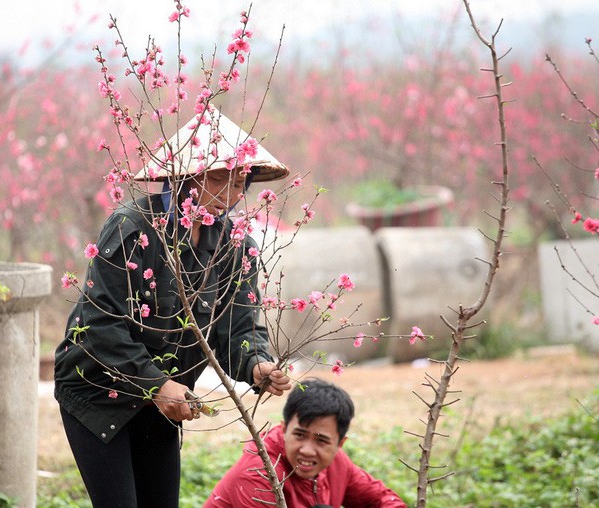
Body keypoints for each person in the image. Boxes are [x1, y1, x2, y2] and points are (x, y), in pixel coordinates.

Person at [54, 113, 292, 508]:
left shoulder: (237, 246)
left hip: (164, 398)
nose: (229, 193)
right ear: (184, 178)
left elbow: (237, 329)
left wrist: (256, 365)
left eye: (238, 181)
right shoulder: (132, 228)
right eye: (217, 178)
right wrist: (157, 385)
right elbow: (101, 325)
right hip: (97, 389)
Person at [204, 378, 407, 508]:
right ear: (284, 429)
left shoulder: (338, 464)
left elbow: (383, 501)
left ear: (340, 444)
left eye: (321, 440)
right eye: (299, 435)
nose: (307, 450)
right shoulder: (258, 474)